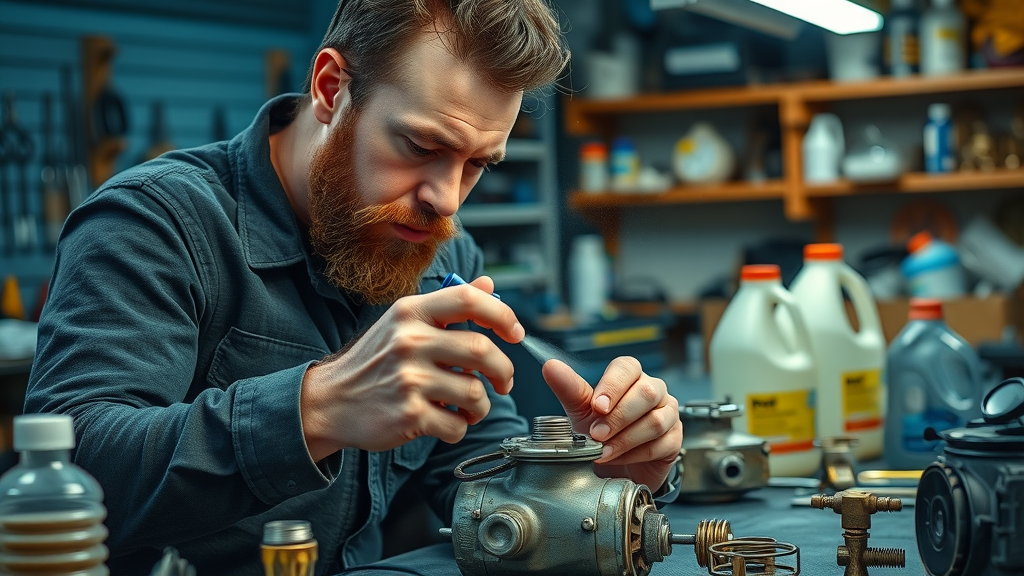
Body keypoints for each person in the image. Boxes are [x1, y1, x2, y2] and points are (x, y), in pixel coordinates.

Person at [25, 1, 683, 574]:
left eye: (477, 164)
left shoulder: (440, 253)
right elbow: (68, 471)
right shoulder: (153, 225)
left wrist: (592, 483)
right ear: (331, 87)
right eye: (421, 144)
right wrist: (315, 410)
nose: (445, 199)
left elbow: (482, 486)